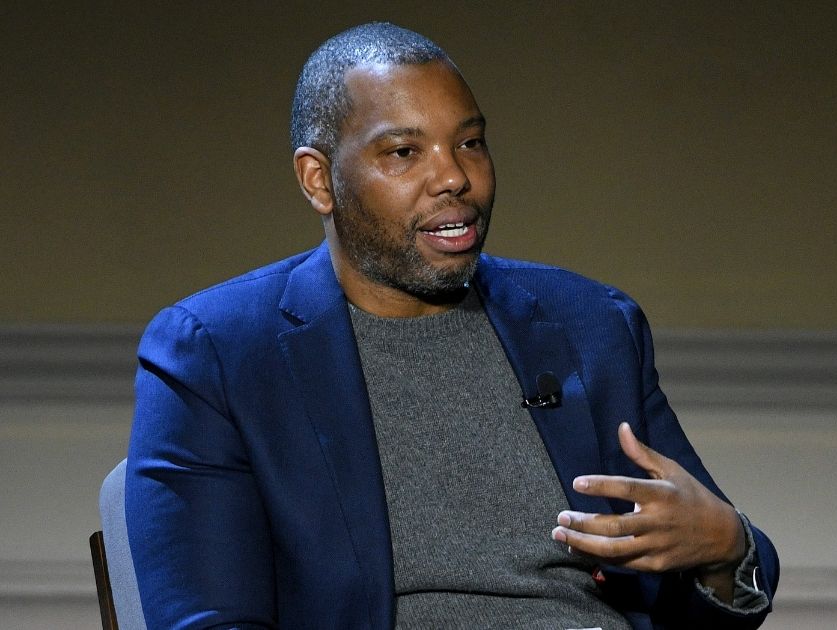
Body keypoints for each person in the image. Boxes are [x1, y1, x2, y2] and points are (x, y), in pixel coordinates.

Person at [125, 22, 778, 629]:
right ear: (318, 180)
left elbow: (704, 567)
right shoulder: (216, 353)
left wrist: (728, 548)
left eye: (469, 142)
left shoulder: (591, 326)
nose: (455, 177)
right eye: (404, 151)